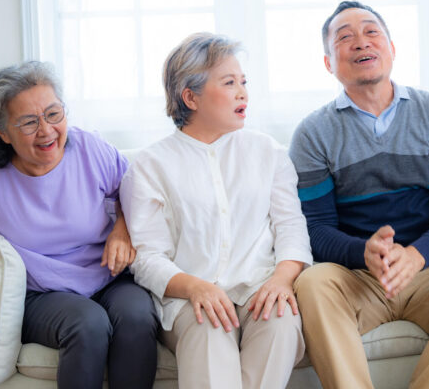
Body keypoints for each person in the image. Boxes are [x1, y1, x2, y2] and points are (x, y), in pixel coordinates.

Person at [0, 61, 159, 389]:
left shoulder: (89, 149)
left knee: (139, 317)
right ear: (0, 130)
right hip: (42, 293)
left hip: (108, 277)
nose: (46, 130)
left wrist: (122, 230)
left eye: (54, 114)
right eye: (29, 122)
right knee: (88, 323)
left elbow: (133, 191)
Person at [289, 0, 429, 389]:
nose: (360, 42)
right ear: (328, 63)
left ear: (392, 49)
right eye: (344, 37)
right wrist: (362, 252)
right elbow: (315, 229)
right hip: (357, 277)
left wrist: (416, 256)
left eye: (371, 32)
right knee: (313, 284)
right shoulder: (312, 133)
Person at [120, 32, 313, 389]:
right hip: (189, 297)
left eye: (243, 82)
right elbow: (147, 257)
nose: (243, 92)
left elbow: (291, 228)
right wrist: (195, 288)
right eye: (229, 83)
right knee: (209, 328)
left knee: (281, 321)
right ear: (190, 97)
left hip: (259, 287)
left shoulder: (267, 152)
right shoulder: (150, 165)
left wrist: (282, 279)